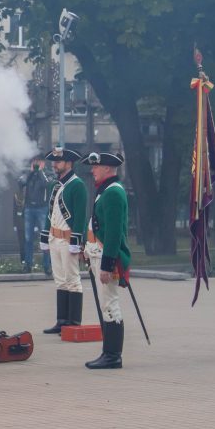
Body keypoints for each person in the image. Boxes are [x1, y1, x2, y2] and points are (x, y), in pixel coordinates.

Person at [82, 151, 131, 369]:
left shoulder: (113, 193)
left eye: (96, 166)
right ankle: (108, 352)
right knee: (106, 305)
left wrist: (107, 265)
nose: (92, 170)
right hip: (98, 252)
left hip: (106, 255)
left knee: (110, 304)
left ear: (108, 169)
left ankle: (112, 355)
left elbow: (113, 233)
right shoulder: (106, 191)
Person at [40, 148, 88, 334]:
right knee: (60, 281)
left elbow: (80, 217)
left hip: (68, 240)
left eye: (58, 162)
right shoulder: (55, 185)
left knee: (72, 280)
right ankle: (62, 321)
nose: (54, 165)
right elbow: (49, 213)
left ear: (69, 163)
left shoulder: (77, 185)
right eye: (53, 161)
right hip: (54, 238)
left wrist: (77, 241)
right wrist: (45, 237)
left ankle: (73, 322)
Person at [19, 156, 51, 274]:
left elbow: (47, 184)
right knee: (28, 239)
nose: (37, 164)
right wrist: (31, 172)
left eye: (39, 162)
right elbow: (21, 182)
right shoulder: (29, 174)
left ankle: (47, 265)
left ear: (43, 163)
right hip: (29, 208)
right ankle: (28, 265)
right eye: (34, 162)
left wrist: (40, 172)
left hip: (42, 208)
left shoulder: (47, 174)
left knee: (45, 237)